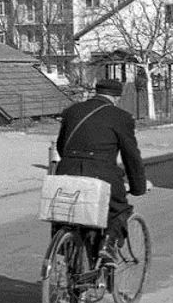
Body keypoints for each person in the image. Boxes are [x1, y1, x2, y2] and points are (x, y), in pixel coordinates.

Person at [54, 78, 148, 260]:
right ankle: (107, 244)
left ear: (96, 92)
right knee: (118, 209)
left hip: (67, 169)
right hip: (101, 173)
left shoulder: (72, 111)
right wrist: (138, 186)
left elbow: (61, 146)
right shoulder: (121, 117)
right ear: (117, 98)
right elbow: (131, 156)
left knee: (65, 211)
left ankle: (65, 247)